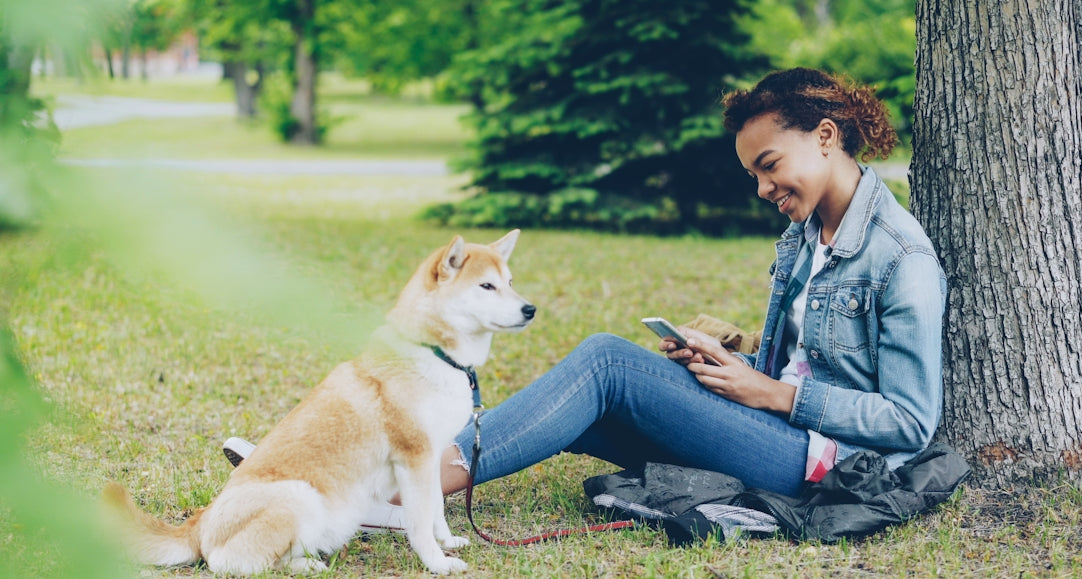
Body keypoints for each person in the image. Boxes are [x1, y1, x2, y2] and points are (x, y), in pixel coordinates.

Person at [223, 67, 947, 530]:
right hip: (774, 428)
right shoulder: (807, 231)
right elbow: (803, 361)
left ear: (826, 138)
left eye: (769, 167)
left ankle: (396, 490)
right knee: (583, 401)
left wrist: (770, 395)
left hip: (822, 462)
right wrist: (730, 359)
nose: (762, 188)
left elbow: (910, 422)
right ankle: (367, 479)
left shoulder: (900, 257)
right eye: (754, 174)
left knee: (604, 365)